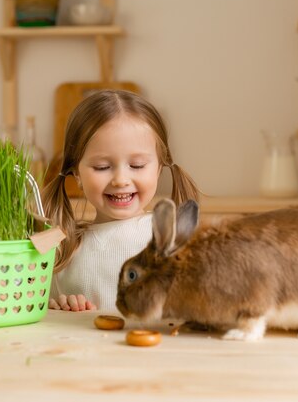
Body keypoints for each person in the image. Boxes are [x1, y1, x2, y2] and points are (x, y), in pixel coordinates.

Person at [42, 89, 199, 312]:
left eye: (136, 166)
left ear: (159, 169)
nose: (120, 180)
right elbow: (46, 321)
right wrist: (60, 308)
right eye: (102, 167)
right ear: (76, 173)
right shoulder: (63, 251)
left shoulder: (173, 239)